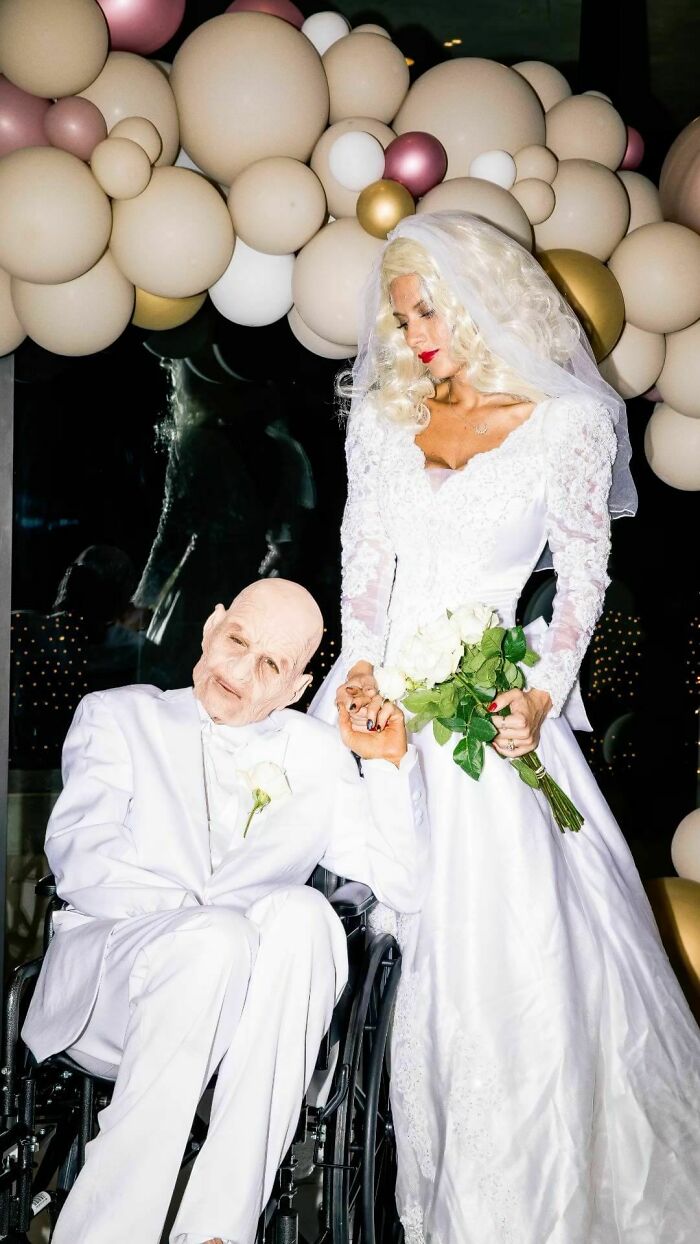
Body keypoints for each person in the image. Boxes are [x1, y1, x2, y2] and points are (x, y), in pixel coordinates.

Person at [310, 212, 700, 1244]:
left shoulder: (566, 422)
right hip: (381, 701)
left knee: (507, 968)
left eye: (428, 311)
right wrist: (360, 671)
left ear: (483, 298)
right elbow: (363, 563)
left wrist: (539, 695)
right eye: (401, 318)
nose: (414, 335)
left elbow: (583, 578)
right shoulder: (383, 420)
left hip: (490, 713)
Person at [22, 577, 428, 1244]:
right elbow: (82, 860)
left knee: (307, 916)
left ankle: (216, 1231)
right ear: (211, 628)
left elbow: (403, 885)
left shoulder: (315, 754)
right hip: (115, 986)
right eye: (237, 641)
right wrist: (205, 927)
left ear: (296, 688)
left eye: (270, 664)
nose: (240, 671)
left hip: (245, 1015)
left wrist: (386, 764)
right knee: (214, 941)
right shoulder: (118, 716)